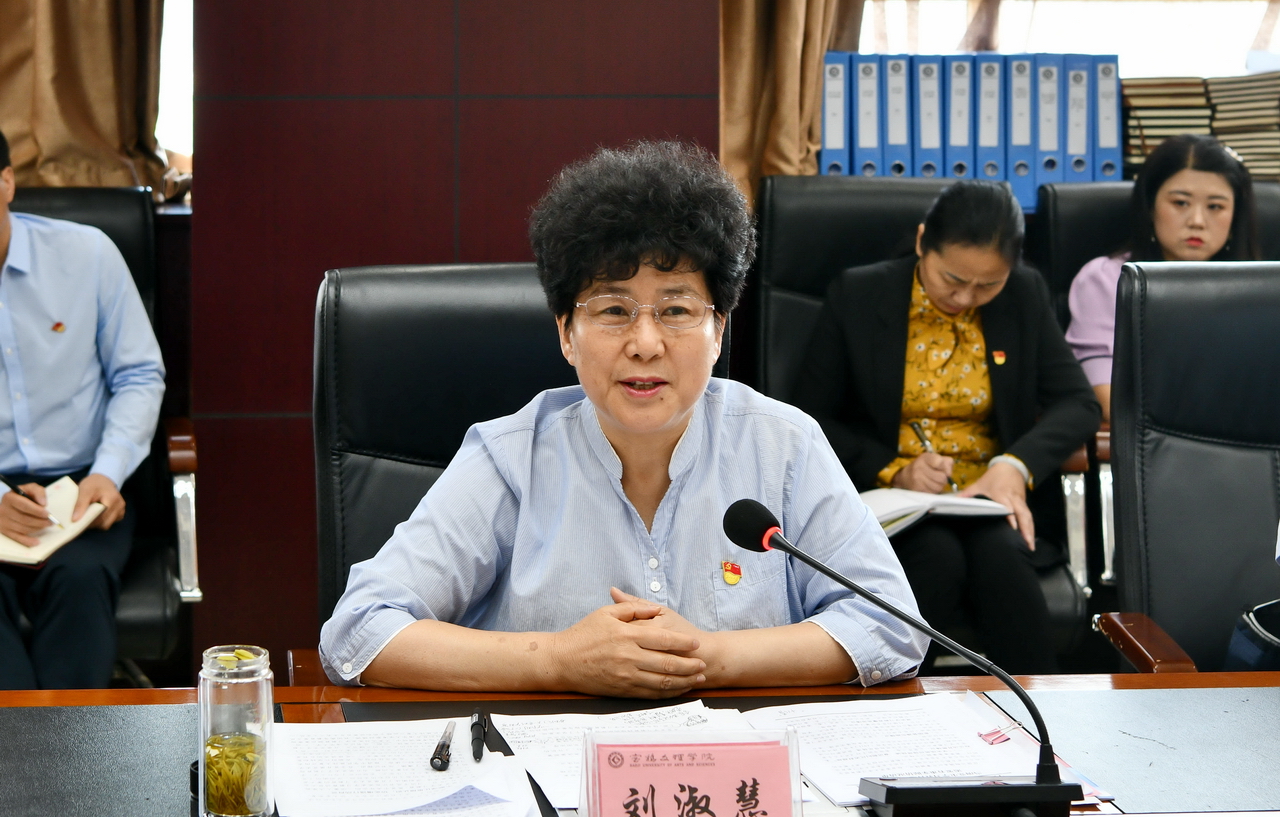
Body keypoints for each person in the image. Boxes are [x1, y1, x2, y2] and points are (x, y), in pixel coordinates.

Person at [320, 141, 926, 697]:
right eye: (613, 310)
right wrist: (559, 660)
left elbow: (893, 626)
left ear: (718, 331)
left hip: (740, 768)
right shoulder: (510, 458)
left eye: (676, 310)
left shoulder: (783, 445)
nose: (645, 344)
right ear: (567, 333)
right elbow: (359, 630)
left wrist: (708, 657)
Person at [793, 181, 1100, 674]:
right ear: (922, 243)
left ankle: (1037, 712)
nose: (966, 297)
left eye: (988, 285)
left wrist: (1015, 466)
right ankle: (895, 706)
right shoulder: (859, 293)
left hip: (988, 499)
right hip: (897, 502)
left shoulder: (1023, 293)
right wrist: (895, 469)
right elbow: (808, 418)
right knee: (935, 557)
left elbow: (1078, 403)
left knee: (1001, 560)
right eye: (952, 279)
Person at [0, 130, 165, 689]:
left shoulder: (86, 254)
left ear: (7, 182)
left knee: (81, 578)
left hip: (83, 489)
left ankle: (70, 740)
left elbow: (138, 374)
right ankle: (20, 744)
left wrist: (107, 472)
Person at [1065, 135, 1258, 422]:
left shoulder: (1261, 289)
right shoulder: (1106, 280)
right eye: (1180, 202)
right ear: (1150, 206)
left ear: (1235, 218)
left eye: (1215, 206)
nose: (1197, 221)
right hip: (1155, 439)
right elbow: (1109, 398)